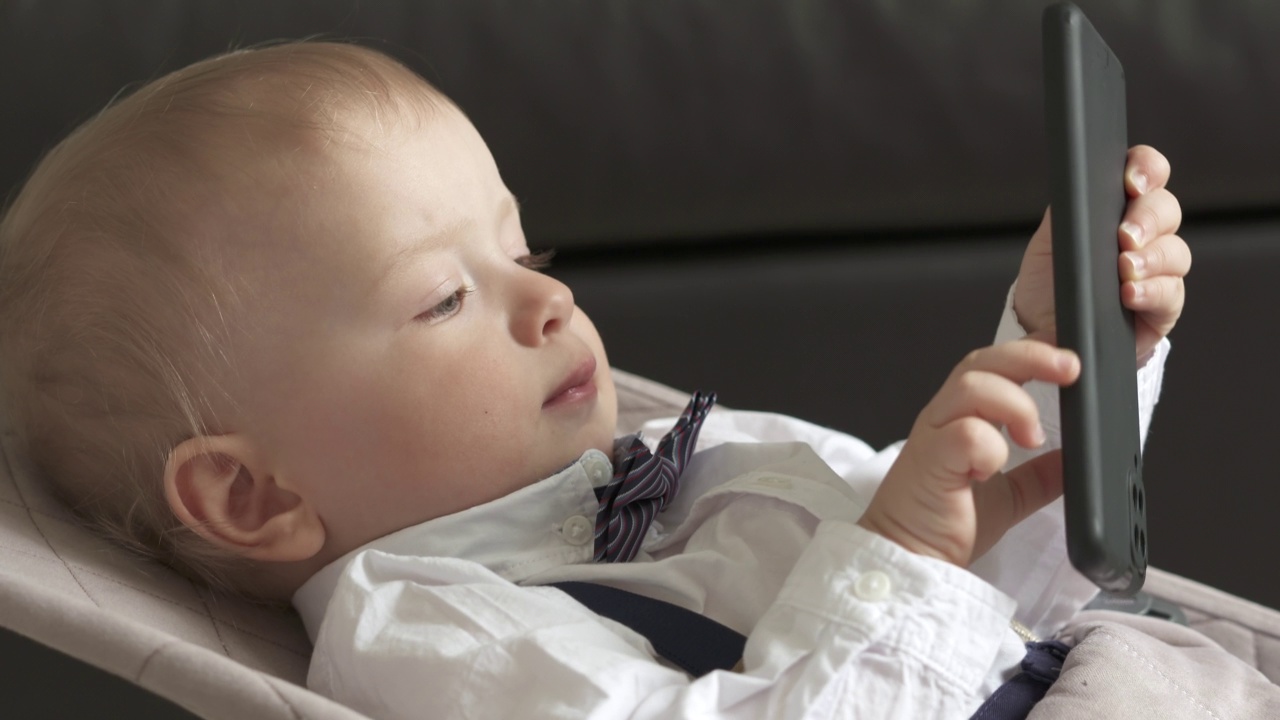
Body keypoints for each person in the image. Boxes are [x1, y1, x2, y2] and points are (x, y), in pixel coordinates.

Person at [0, 42, 1191, 718]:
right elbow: (906, 606)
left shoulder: (689, 455)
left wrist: (1061, 355)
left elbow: (1015, 597)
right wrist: (901, 554)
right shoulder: (424, 633)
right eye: (445, 298)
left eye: (524, 254)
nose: (551, 302)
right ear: (254, 498)